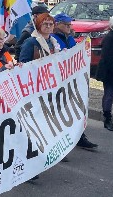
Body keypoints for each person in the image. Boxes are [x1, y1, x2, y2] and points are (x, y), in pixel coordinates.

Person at [48, 13, 99, 149]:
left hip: (72, 78)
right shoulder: (52, 39)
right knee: (60, 112)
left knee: (75, 109)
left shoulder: (69, 37)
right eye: (66, 24)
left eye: (70, 25)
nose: (69, 27)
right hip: (59, 80)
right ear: (57, 24)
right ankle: (59, 143)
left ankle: (79, 136)